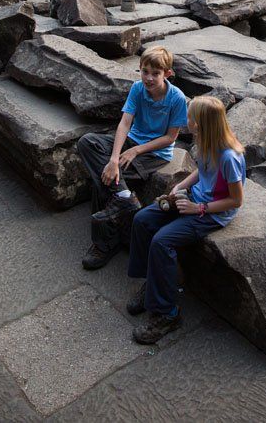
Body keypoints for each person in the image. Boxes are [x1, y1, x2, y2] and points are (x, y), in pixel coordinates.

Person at [126, 95, 245, 345]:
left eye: (189, 117)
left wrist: (197, 208)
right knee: (143, 219)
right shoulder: (205, 141)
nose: (186, 121)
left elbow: (235, 201)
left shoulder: (229, 157)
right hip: (195, 199)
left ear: (199, 125)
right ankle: (151, 282)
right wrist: (180, 185)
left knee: (162, 241)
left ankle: (168, 313)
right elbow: (201, 172)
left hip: (212, 213)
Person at [77, 45, 188, 271]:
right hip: (131, 140)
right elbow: (125, 123)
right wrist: (114, 159)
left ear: (167, 74)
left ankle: (103, 243)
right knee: (87, 142)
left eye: (155, 73)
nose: (148, 78)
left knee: (105, 180)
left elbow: (170, 138)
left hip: (154, 152)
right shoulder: (138, 89)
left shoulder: (177, 98)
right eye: (144, 71)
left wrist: (136, 151)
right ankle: (125, 196)